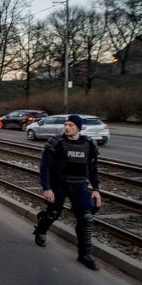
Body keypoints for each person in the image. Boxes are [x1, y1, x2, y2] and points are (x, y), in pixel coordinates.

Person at [34, 114, 103, 271]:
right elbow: (45, 167)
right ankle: (41, 229)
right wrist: (46, 187)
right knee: (53, 213)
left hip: (79, 185)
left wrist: (96, 189)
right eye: (66, 124)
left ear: (79, 127)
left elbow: (93, 169)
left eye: (71, 125)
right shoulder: (56, 143)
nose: (67, 127)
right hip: (58, 184)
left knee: (86, 217)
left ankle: (84, 254)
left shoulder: (89, 145)